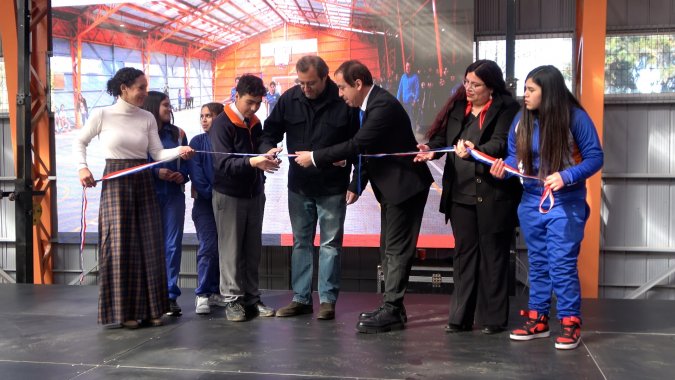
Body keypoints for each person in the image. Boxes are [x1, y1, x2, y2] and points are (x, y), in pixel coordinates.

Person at [294, 60, 433, 333]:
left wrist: (314, 157)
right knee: (388, 250)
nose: (340, 93)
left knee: (395, 251)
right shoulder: (369, 106)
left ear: (358, 84)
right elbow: (369, 153)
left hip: (404, 188)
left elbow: (357, 145)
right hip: (393, 189)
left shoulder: (382, 107)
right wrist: (357, 184)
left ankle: (392, 310)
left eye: (343, 87)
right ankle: (394, 307)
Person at [490, 65, 603, 350]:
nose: (524, 95)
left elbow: (595, 157)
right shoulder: (522, 119)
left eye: (531, 90)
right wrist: (508, 168)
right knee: (538, 263)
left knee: (562, 264)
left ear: (548, 92)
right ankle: (538, 319)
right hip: (530, 201)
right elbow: (515, 155)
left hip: (565, 203)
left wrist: (567, 176)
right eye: (525, 89)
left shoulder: (575, 118)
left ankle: (569, 322)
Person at [73, 67, 194, 329]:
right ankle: (124, 311)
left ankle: (152, 309)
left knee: (149, 244)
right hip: (117, 180)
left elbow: (157, 153)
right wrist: (83, 167)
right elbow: (79, 141)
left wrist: (179, 151)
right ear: (123, 88)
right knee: (121, 246)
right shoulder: (102, 114)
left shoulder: (147, 118)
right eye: (140, 87)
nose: (144, 92)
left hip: (142, 179)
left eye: (145, 87)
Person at [414, 60, 521, 335]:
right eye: (466, 82)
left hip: (493, 194)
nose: (469, 88)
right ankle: (460, 317)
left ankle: (493, 319)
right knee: (463, 255)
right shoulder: (457, 106)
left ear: (492, 87)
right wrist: (430, 150)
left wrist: (476, 149)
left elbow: (501, 142)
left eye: (476, 84)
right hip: (460, 193)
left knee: (493, 255)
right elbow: (442, 140)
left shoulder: (507, 109)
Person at [260, 56, 362, 321]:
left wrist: (356, 181)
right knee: (301, 242)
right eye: (301, 83)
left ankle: (327, 300)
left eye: (311, 83)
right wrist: (267, 149)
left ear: (325, 77)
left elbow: (359, 143)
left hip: (332, 186)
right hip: (299, 186)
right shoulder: (289, 99)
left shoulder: (344, 100)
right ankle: (301, 299)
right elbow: (269, 131)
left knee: (330, 244)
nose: (305, 89)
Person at [210, 74, 280, 322]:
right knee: (230, 250)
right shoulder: (221, 124)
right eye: (249, 102)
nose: (253, 108)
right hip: (229, 195)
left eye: (258, 103)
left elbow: (260, 144)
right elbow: (223, 163)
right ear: (236, 96)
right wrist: (254, 162)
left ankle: (252, 297)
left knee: (252, 250)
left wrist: (267, 153)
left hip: (254, 194)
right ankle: (232, 299)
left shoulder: (254, 122)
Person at [142, 91, 190, 318]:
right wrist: (155, 171)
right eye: (165, 105)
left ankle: (170, 296)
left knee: (172, 246)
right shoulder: (141, 132)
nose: (169, 109)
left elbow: (190, 161)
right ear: (153, 106)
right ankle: (150, 295)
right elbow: (137, 163)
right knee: (150, 246)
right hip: (149, 194)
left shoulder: (179, 133)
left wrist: (183, 175)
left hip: (173, 196)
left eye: (170, 105)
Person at [188, 102, 226, 315]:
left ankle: (216, 291)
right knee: (208, 247)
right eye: (202, 116)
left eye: (209, 115)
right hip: (205, 205)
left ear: (220, 117)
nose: (204, 119)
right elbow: (198, 176)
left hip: (228, 205)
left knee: (224, 250)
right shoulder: (197, 142)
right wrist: (216, 196)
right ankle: (202, 293)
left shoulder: (227, 141)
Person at [397, 61, 420, 128]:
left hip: (411, 103)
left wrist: (415, 100)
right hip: (404, 103)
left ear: (411, 67)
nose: (408, 68)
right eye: (406, 67)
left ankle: (414, 135)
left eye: (409, 67)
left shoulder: (415, 77)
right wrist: (397, 99)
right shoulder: (403, 77)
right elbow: (399, 89)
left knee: (412, 120)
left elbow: (417, 90)